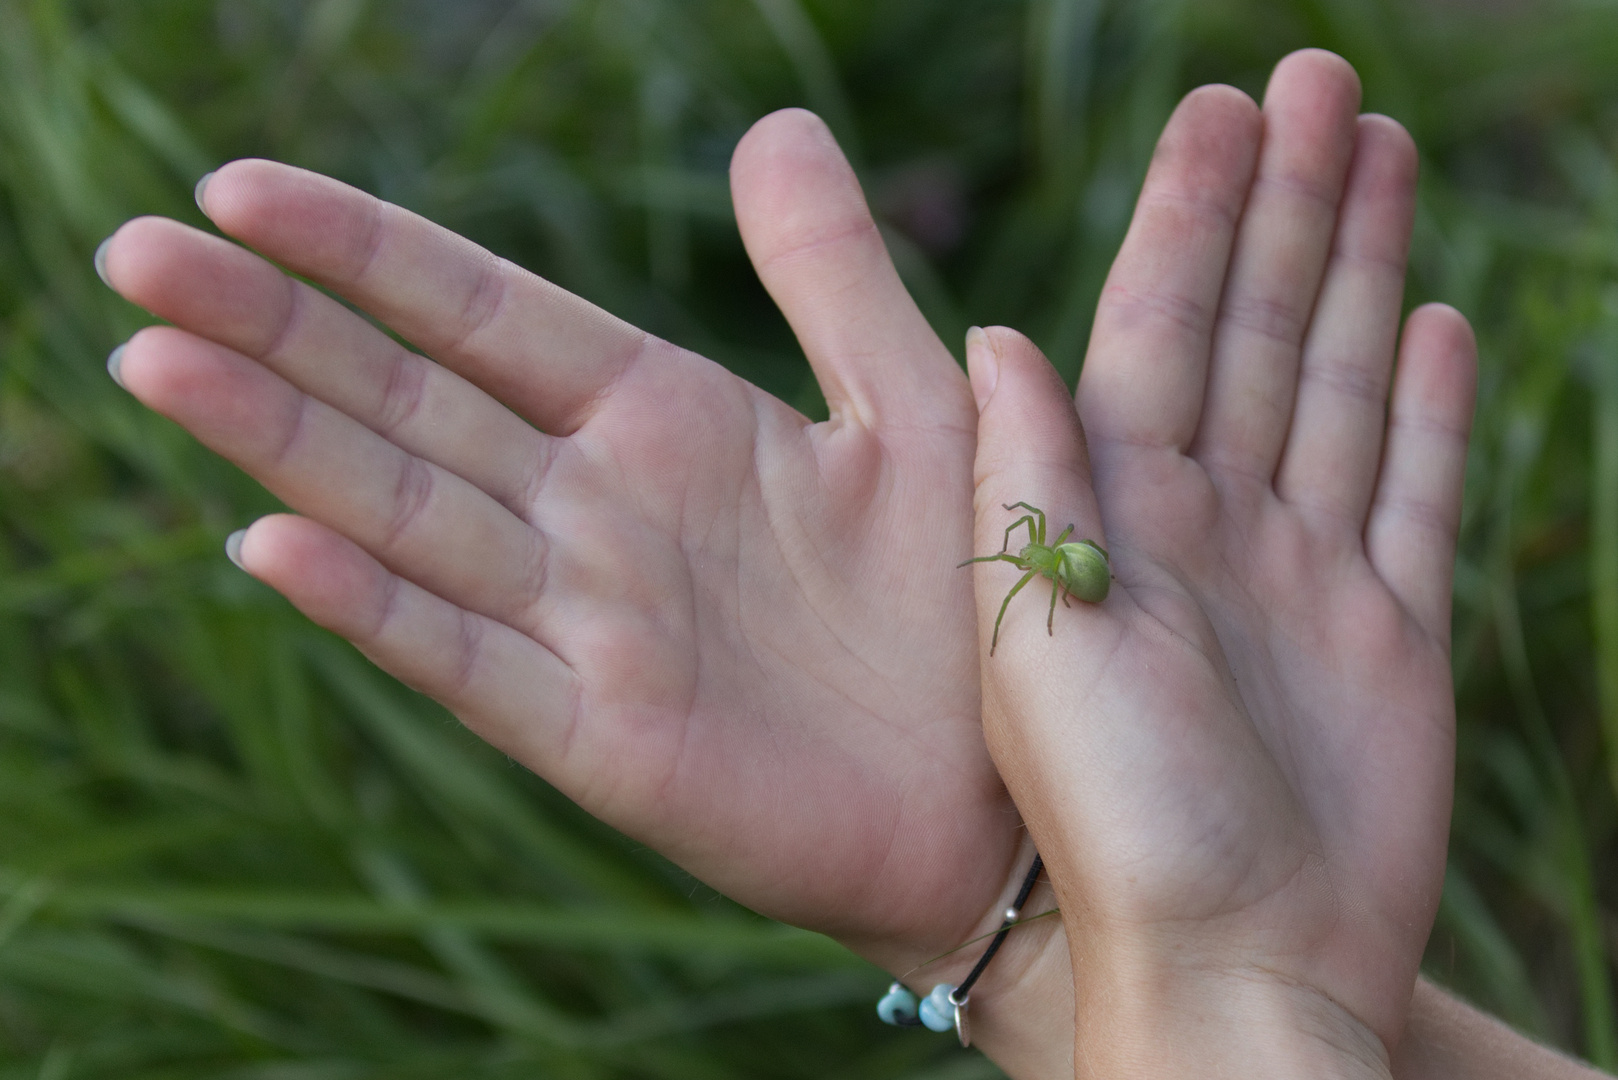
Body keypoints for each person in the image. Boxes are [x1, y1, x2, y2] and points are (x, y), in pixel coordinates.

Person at [93, 44, 1608, 1079]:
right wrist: (1052, 928)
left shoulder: (1038, 566)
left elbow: (1048, 565)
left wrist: (1220, 977)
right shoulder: (1041, 575)